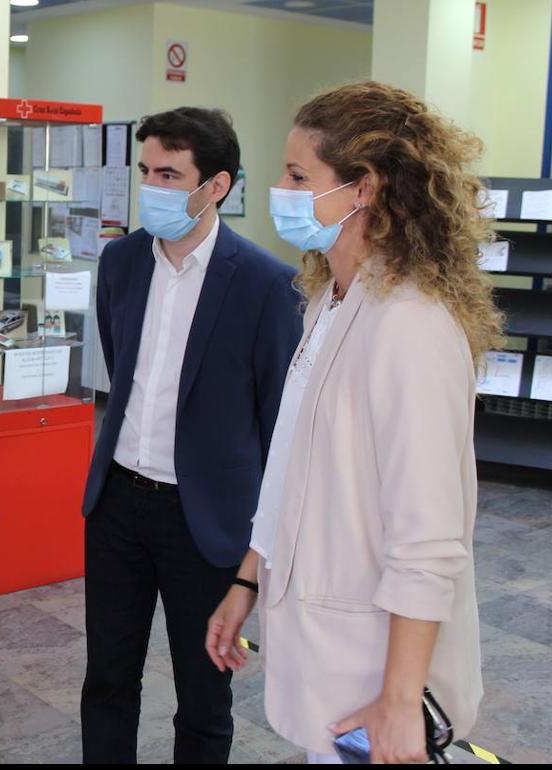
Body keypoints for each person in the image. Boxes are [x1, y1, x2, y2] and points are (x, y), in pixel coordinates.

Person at [206, 81, 499, 764]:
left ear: (362, 188)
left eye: (298, 175)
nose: (279, 187)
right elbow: (292, 470)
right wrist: (249, 578)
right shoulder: (328, 302)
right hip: (326, 656)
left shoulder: (411, 325)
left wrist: (399, 703)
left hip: (377, 681)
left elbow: (429, 539)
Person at [80, 107, 303, 764]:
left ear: (217, 186)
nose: (152, 186)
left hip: (204, 520)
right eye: (146, 170)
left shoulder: (267, 285)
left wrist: (254, 560)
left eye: (170, 174)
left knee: (204, 700)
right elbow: (122, 368)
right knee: (107, 682)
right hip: (118, 504)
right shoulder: (120, 262)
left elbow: (279, 423)